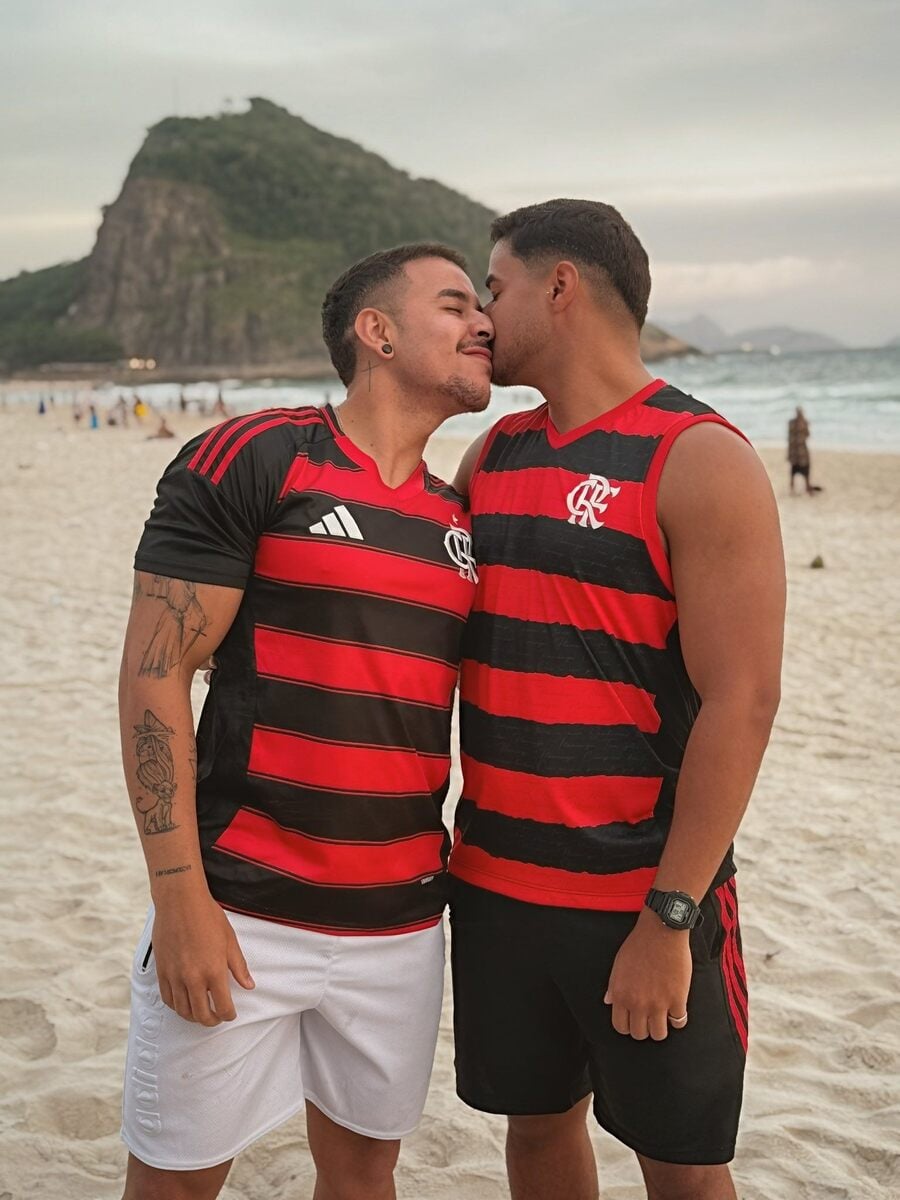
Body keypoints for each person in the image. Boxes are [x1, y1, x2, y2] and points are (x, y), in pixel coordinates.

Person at [117, 242, 492, 1200]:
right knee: (174, 1180)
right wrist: (180, 900)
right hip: (241, 913)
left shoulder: (460, 521)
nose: (483, 322)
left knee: (365, 1174)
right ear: (378, 332)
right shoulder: (258, 457)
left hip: (402, 927)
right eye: (455, 305)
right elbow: (155, 678)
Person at [449, 199, 785, 1200]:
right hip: (497, 888)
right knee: (538, 1130)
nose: (482, 314)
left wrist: (670, 917)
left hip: (639, 899)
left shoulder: (698, 456)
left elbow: (743, 701)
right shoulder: (490, 457)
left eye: (495, 287)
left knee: (683, 1167)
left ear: (560, 287)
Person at [787, 406, 814, 495]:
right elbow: (807, 435)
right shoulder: (799, 423)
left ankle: (805, 487)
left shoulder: (794, 423)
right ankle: (802, 487)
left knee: (799, 471)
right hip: (798, 453)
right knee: (797, 471)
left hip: (797, 452)